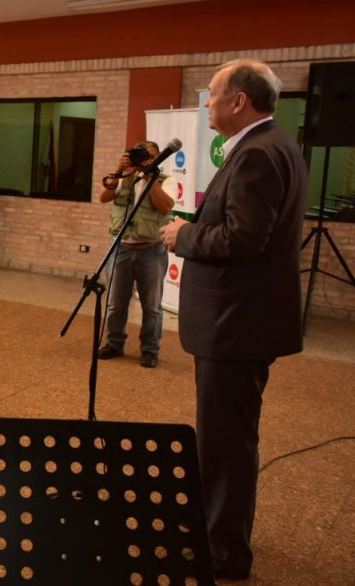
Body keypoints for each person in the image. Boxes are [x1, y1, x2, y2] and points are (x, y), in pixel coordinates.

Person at [160, 60, 307, 581]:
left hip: (236, 322)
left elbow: (243, 238)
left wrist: (184, 235)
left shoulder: (258, 154)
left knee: (225, 443)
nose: (208, 104)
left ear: (239, 100)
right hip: (243, 319)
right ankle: (219, 530)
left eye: (213, 95)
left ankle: (223, 551)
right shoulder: (273, 145)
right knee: (226, 438)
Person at [96, 141, 174, 368]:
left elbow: (165, 206)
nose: (144, 160)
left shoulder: (166, 180)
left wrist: (150, 178)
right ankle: (114, 343)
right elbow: (104, 197)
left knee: (152, 306)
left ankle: (150, 349)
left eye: (149, 156)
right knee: (116, 303)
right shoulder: (125, 178)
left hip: (151, 251)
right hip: (121, 249)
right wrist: (119, 170)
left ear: (158, 158)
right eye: (141, 155)